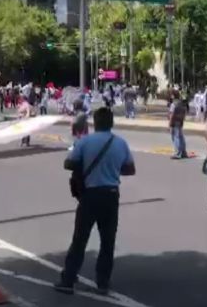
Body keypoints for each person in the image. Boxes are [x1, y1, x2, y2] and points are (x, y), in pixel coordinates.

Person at [55, 108, 135, 296]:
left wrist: (85, 167)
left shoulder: (85, 142)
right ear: (112, 123)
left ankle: (68, 279)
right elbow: (130, 169)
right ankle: (102, 282)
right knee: (107, 241)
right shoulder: (120, 143)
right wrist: (113, 170)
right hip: (111, 195)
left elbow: (69, 163)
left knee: (80, 239)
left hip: (90, 195)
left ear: (95, 123)